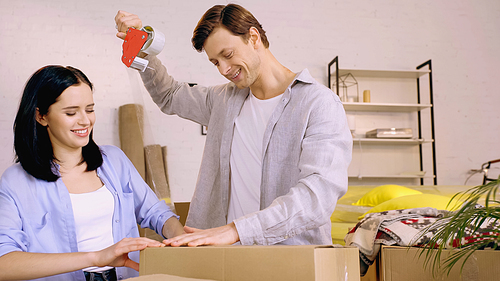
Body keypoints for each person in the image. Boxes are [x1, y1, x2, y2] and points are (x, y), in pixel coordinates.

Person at [114, 4, 352, 247]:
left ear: (253, 37)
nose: (224, 70)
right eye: (215, 62)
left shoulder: (318, 104)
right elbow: (170, 95)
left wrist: (237, 230)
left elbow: (317, 197)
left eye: (228, 55)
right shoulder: (223, 101)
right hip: (223, 258)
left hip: (289, 260)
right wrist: (142, 45)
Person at [0, 65, 184, 281]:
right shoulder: (16, 181)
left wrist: (180, 239)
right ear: (41, 116)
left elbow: (156, 212)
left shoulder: (114, 161)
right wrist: (97, 257)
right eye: (71, 112)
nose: (85, 121)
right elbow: (5, 263)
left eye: (89, 109)